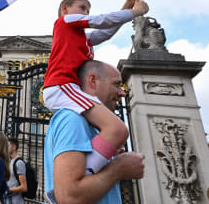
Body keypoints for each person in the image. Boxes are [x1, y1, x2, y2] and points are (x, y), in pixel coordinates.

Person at [42, 0, 148, 175]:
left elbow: (106, 32)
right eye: (82, 8)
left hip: (70, 89)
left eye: (88, 10)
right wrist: (135, 12)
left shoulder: (82, 38)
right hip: (62, 87)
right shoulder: (64, 21)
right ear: (65, 9)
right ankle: (77, 179)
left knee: (104, 129)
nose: (86, 13)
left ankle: (95, 162)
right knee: (116, 128)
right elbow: (100, 21)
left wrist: (127, 5)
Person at [44, 60, 145, 204]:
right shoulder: (72, 119)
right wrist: (118, 169)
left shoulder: (89, 125)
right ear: (93, 81)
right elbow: (69, 198)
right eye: (116, 84)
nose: (122, 92)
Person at [6, 137, 27, 204]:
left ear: (14, 147)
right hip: (9, 200)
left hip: (16, 201)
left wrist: (7, 190)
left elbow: (24, 187)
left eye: (8, 146)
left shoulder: (19, 163)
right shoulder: (11, 161)